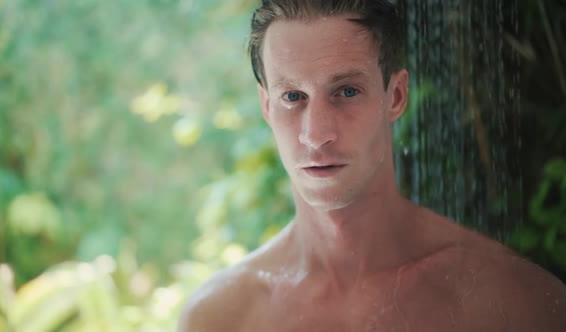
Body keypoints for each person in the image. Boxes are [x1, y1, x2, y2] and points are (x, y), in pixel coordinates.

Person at [179, 1, 566, 331]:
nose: (316, 135)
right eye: (293, 96)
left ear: (396, 96)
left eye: (346, 92)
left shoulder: (509, 303)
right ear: (267, 106)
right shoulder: (221, 318)